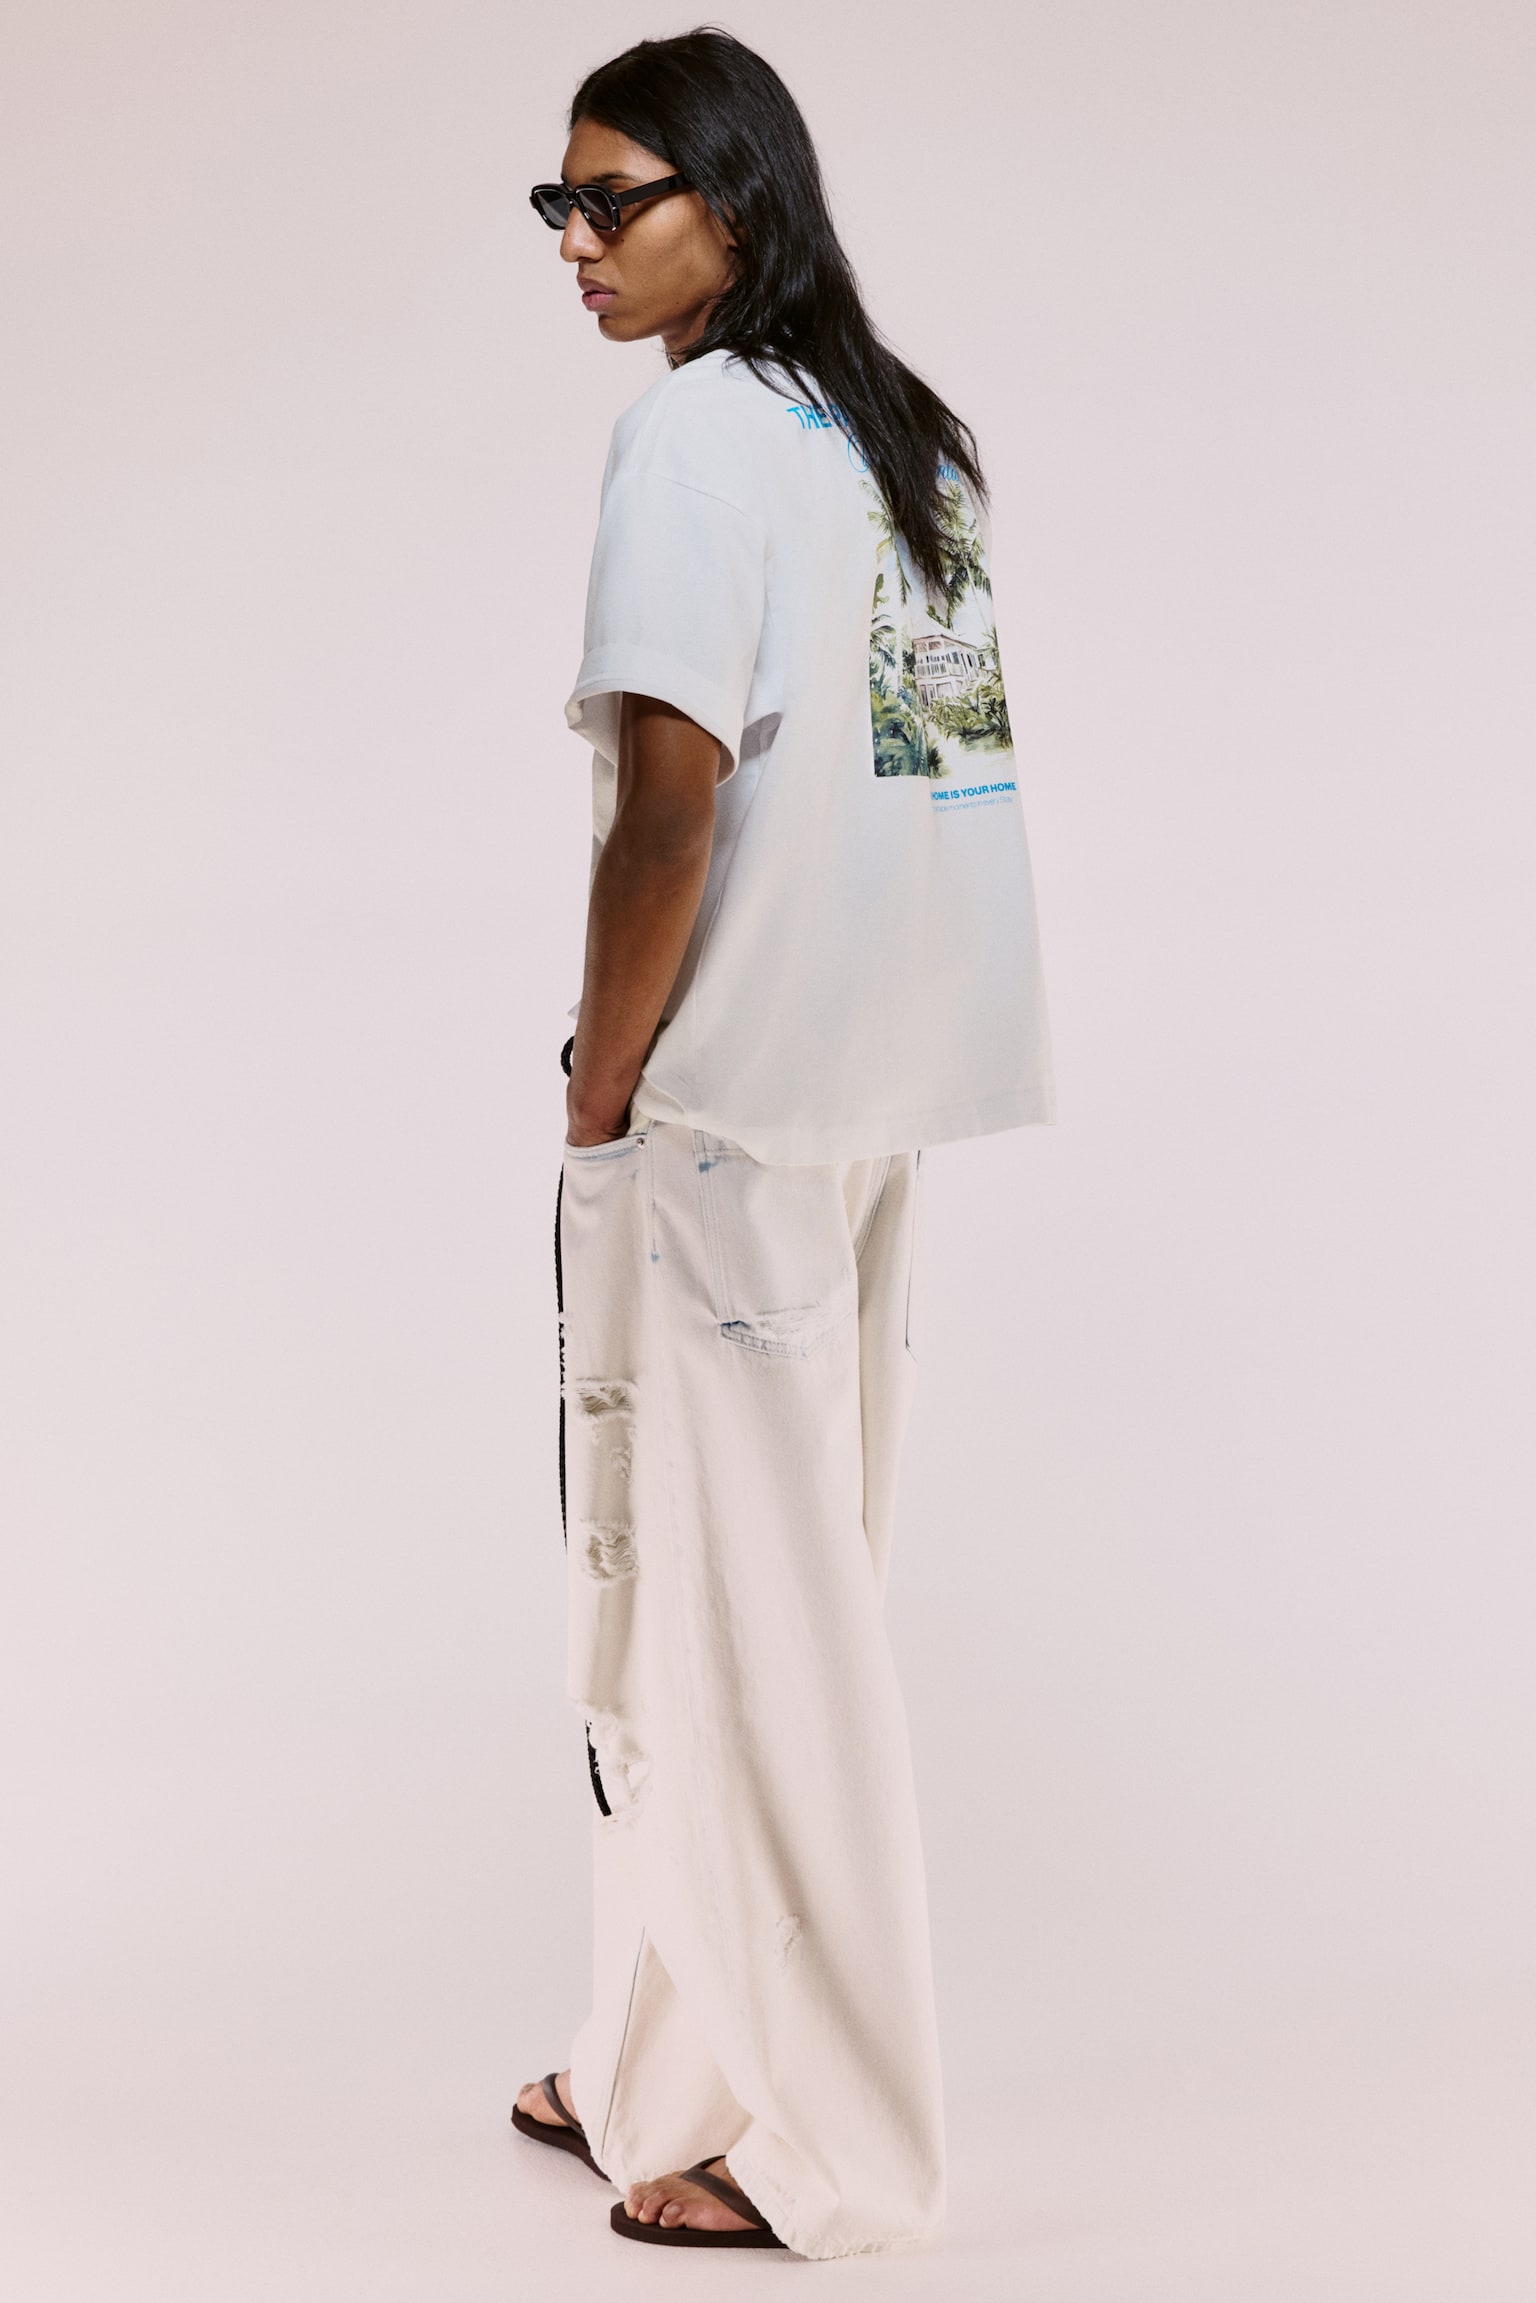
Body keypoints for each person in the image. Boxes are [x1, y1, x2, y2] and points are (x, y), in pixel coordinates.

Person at [511, 28, 1053, 2260]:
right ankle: (655, 2057)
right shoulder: (899, 436)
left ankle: (840, 2143)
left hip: (729, 1110)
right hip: (876, 1090)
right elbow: (927, 776)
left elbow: (670, 806)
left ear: (733, 203)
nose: (574, 242)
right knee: (710, 1600)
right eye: (554, 205)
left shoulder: (695, 441)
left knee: (741, 1626)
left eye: (611, 199)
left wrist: (601, 1083)